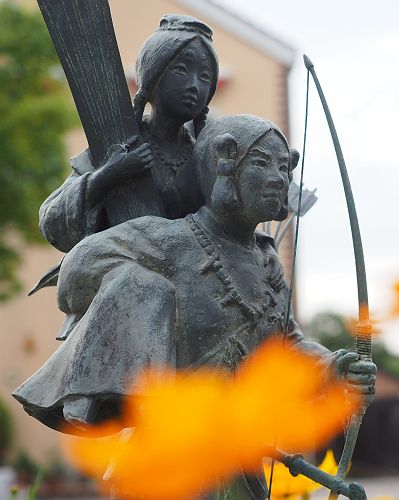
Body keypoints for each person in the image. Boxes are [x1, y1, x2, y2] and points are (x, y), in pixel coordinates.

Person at [14, 115, 376, 498]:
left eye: (283, 167)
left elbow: (286, 345)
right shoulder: (168, 240)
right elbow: (76, 272)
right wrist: (136, 295)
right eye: (261, 163)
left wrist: (333, 367)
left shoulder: (267, 263)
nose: (277, 178)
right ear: (223, 164)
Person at [38, 14, 219, 253]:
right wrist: (108, 175)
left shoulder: (207, 159)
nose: (195, 85)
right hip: (118, 272)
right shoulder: (116, 145)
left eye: (205, 76)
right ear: (152, 79)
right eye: (182, 70)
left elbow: (233, 228)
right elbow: (51, 221)